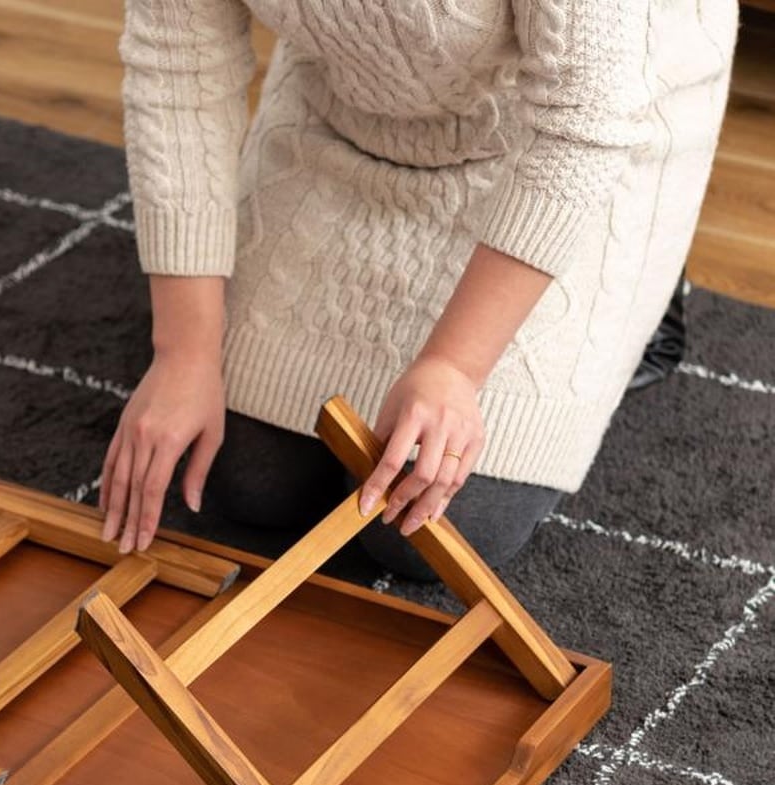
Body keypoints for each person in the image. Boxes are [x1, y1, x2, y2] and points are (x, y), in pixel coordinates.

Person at [96, 0, 738, 581]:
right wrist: (184, 351)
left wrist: (454, 367)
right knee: (249, 481)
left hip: (580, 130)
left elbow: (587, 117)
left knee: (422, 534)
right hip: (345, 110)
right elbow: (176, 66)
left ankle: (650, 304)